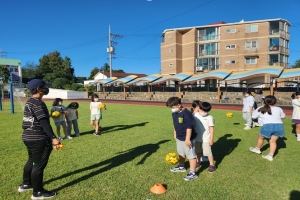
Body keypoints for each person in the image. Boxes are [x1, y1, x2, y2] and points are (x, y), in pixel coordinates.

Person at [18, 79, 60, 199]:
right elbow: (44, 123)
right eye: (44, 87)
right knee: (38, 165)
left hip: (28, 137)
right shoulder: (38, 103)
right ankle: (38, 192)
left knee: (31, 161)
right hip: (38, 138)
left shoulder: (30, 101)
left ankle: (26, 184)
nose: (46, 88)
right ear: (38, 89)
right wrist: (54, 138)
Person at [166, 97, 198, 181]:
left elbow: (189, 127)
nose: (172, 109)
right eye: (171, 108)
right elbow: (174, 123)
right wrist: (175, 133)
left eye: (173, 107)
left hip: (188, 138)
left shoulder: (187, 114)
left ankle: (193, 173)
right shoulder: (174, 113)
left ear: (179, 105)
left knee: (191, 155)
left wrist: (187, 139)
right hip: (179, 137)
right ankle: (181, 167)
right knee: (181, 153)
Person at [249, 95, 285, 161]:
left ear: (264, 101)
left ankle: (257, 149)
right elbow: (283, 116)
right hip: (280, 126)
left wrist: (252, 112)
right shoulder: (278, 108)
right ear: (275, 101)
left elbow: (253, 117)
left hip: (268, 126)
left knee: (260, 137)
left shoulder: (260, 108)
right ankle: (270, 156)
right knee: (273, 141)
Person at [192, 101, 216, 173]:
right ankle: (198, 161)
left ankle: (212, 165)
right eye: (201, 110)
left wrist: (211, 139)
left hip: (206, 138)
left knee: (208, 152)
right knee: (197, 151)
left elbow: (211, 129)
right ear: (199, 108)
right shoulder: (195, 115)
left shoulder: (210, 117)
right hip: (197, 138)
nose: (203, 112)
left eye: (205, 111)